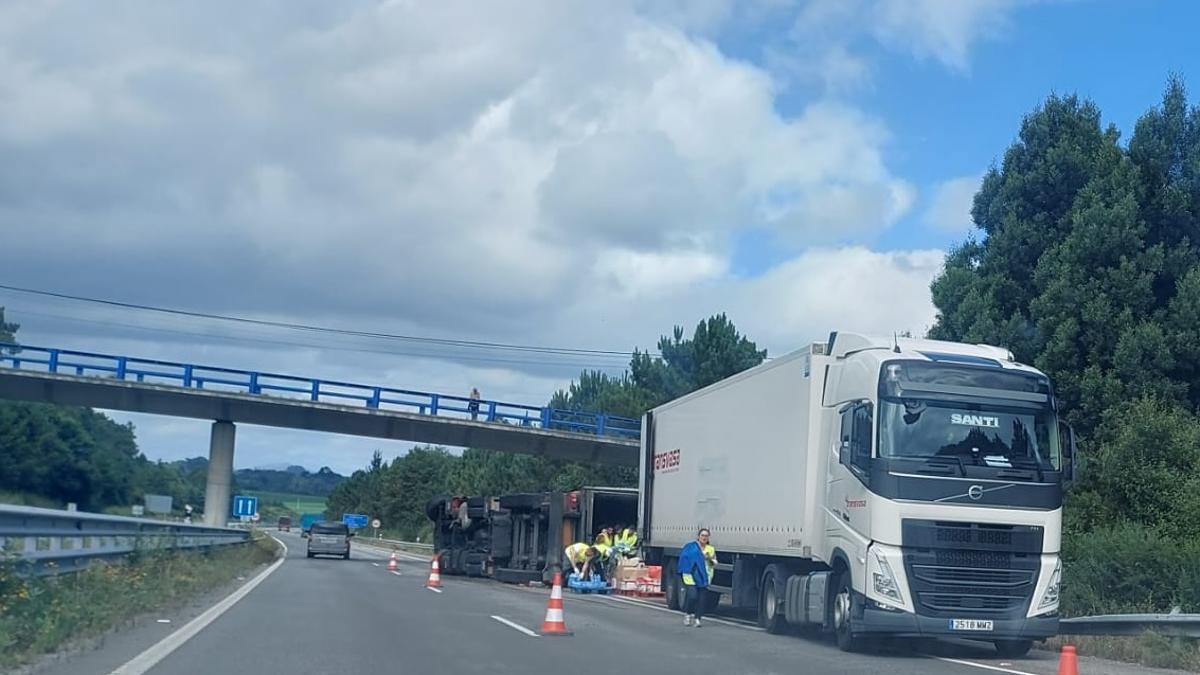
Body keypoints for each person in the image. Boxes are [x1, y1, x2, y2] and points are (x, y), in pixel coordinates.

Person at [678, 528, 711, 627]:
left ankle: (697, 619)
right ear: (698, 536)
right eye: (702, 535)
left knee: (702, 598)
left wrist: (709, 559)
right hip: (690, 574)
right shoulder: (690, 547)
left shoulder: (710, 549)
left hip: (704, 575)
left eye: (706, 536)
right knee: (693, 596)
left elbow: (714, 562)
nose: (704, 537)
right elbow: (684, 558)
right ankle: (688, 614)